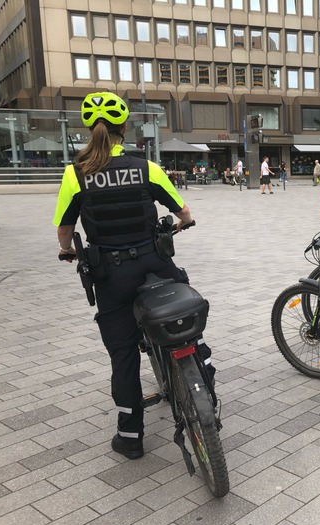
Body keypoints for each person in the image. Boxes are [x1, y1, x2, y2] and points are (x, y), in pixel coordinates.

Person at [53, 92, 215, 460]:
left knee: (123, 353)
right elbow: (184, 212)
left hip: (111, 274)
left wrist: (68, 250)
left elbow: (65, 230)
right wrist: (182, 223)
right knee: (187, 324)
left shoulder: (75, 173)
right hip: (155, 264)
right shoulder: (146, 167)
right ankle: (206, 381)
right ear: (124, 128)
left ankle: (130, 434)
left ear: (87, 129)